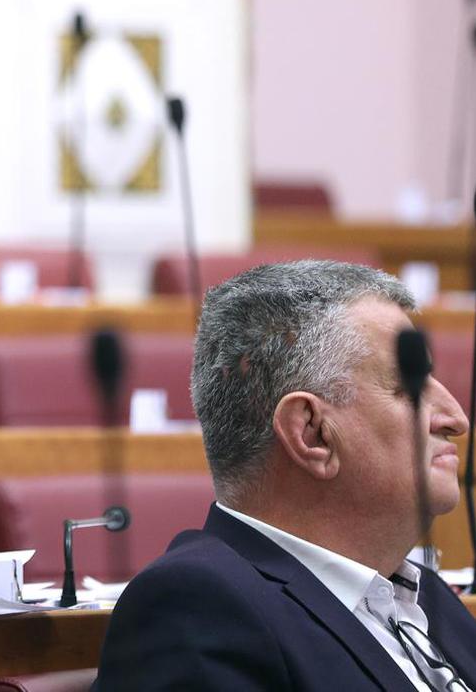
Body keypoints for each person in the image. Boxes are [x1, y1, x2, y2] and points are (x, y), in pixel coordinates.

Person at [94, 261, 476, 690]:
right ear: (312, 433)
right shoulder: (195, 609)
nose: (456, 419)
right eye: (410, 388)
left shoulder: (422, 593)